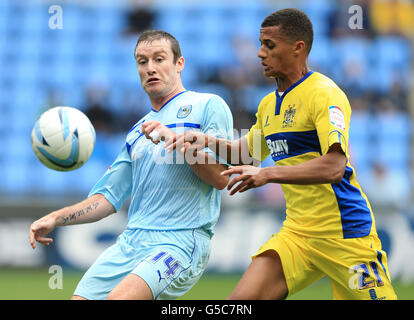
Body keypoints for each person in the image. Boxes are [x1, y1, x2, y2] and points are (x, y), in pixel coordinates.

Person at [165, 9, 397, 300]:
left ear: (298, 47)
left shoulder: (325, 94)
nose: (260, 53)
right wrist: (205, 141)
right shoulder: (267, 105)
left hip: (346, 235)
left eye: (269, 45)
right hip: (298, 234)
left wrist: (267, 174)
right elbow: (245, 155)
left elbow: (335, 165)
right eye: (260, 44)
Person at [28, 30, 233, 300]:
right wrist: (57, 218)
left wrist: (179, 142)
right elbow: (107, 198)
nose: (150, 68)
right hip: (130, 243)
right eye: (142, 61)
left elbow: (221, 178)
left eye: (159, 59)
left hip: (179, 242)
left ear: (179, 63)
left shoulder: (207, 105)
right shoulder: (137, 131)